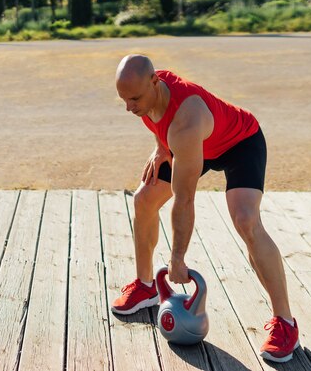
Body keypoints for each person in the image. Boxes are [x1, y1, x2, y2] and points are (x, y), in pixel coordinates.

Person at [111, 55, 299, 363]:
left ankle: (285, 323)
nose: (129, 107)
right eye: (123, 100)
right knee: (144, 199)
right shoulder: (149, 93)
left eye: (134, 99)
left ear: (154, 83)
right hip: (190, 145)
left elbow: (184, 199)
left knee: (246, 220)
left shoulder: (186, 121)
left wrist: (177, 258)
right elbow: (155, 114)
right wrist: (161, 146)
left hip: (240, 144)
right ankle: (146, 287)